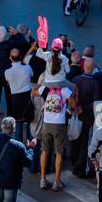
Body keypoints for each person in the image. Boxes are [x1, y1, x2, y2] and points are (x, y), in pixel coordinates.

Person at [37, 59, 76, 191]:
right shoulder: (64, 90)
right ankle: (56, 181)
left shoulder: (45, 89)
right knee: (59, 152)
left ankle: (42, 179)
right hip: (59, 124)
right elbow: (73, 105)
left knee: (45, 151)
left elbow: (34, 92)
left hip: (46, 123)